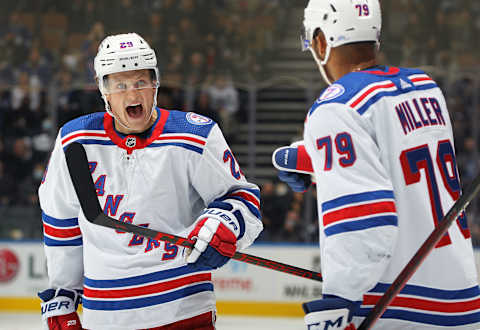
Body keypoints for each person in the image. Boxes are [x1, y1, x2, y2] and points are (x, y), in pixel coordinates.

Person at [272, 1, 480, 329]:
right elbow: (397, 160)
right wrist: (318, 165)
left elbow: (365, 216)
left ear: (322, 42)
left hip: (395, 307)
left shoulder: (336, 106)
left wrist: (340, 299)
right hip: (461, 298)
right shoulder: (425, 88)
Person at [38, 33, 263, 330]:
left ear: (155, 82)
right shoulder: (75, 141)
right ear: (103, 89)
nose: (133, 95)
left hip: (183, 313)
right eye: (120, 85)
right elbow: (60, 220)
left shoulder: (194, 135)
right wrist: (62, 294)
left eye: (141, 82)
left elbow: (242, 199)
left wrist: (224, 224)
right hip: (106, 318)